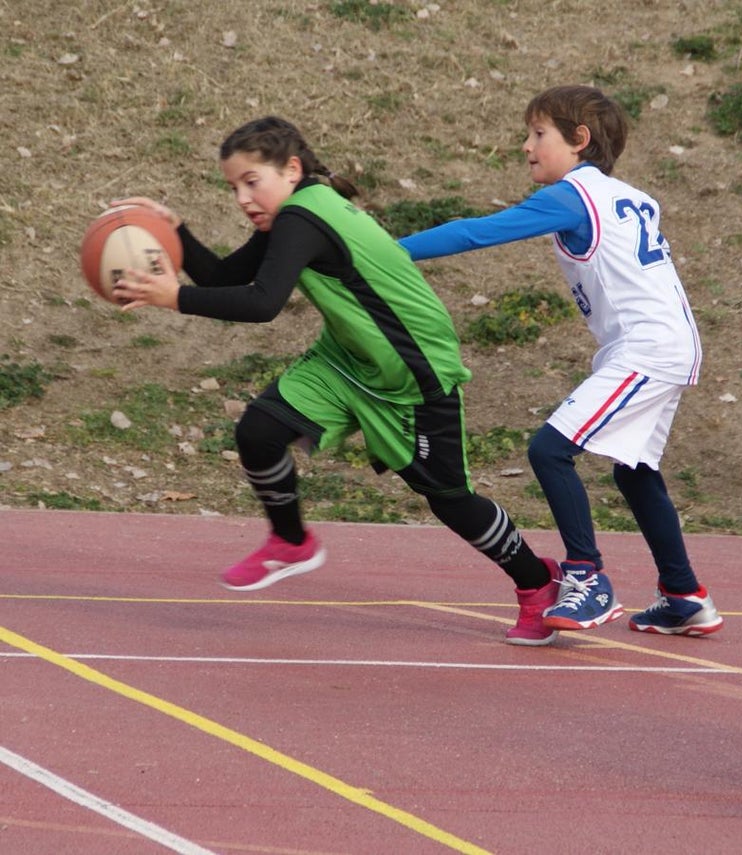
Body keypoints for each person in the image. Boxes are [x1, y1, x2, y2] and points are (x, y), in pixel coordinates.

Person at [109, 116, 564, 647]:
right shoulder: (292, 213)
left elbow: (261, 303)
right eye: (233, 187)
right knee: (258, 430)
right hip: (349, 360)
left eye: (251, 181)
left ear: (292, 169)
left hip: (412, 369)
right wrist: (176, 231)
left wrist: (174, 298)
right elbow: (223, 279)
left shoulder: (305, 215)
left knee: (449, 498)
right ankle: (290, 541)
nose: (241, 197)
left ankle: (537, 582)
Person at [398, 85, 722, 637]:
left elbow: (477, 232)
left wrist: (383, 250)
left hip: (649, 346)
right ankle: (684, 594)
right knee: (636, 471)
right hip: (659, 343)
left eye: (538, 134)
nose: (526, 146)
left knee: (550, 449)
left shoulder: (573, 196)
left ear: (579, 140)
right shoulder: (626, 195)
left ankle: (586, 578)